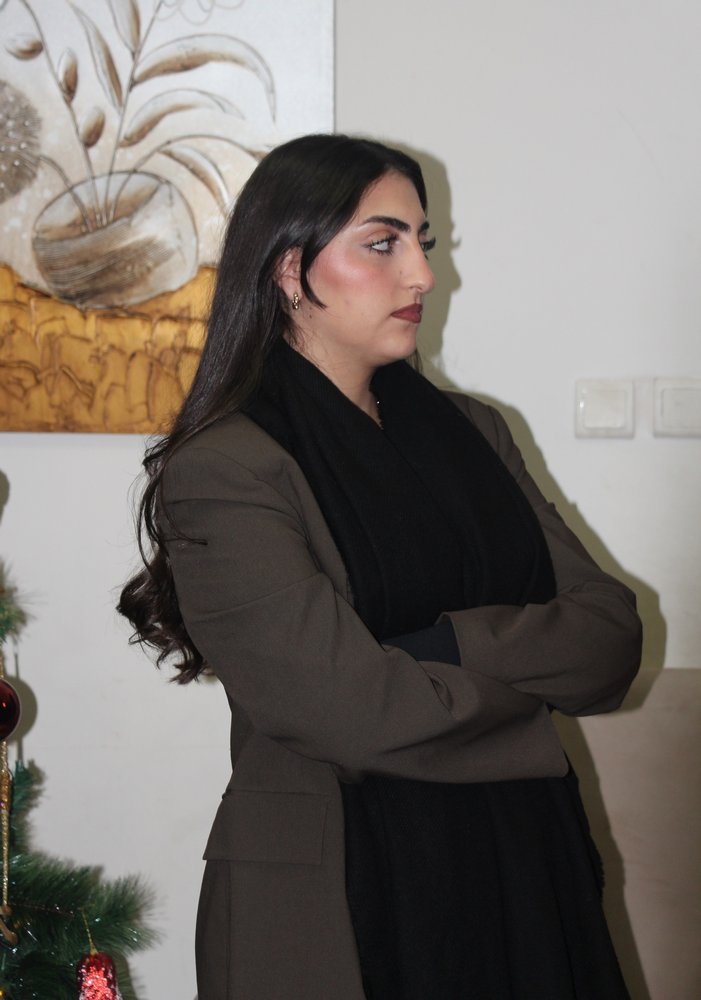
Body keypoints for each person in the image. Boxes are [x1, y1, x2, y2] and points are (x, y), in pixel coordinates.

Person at [118, 134, 642, 1000]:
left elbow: (609, 639)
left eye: (422, 244)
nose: (423, 276)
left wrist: (444, 647)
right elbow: (345, 710)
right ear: (290, 270)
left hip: (525, 868)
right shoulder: (225, 468)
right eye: (381, 243)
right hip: (341, 890)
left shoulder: (476, 432)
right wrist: (526, 701)